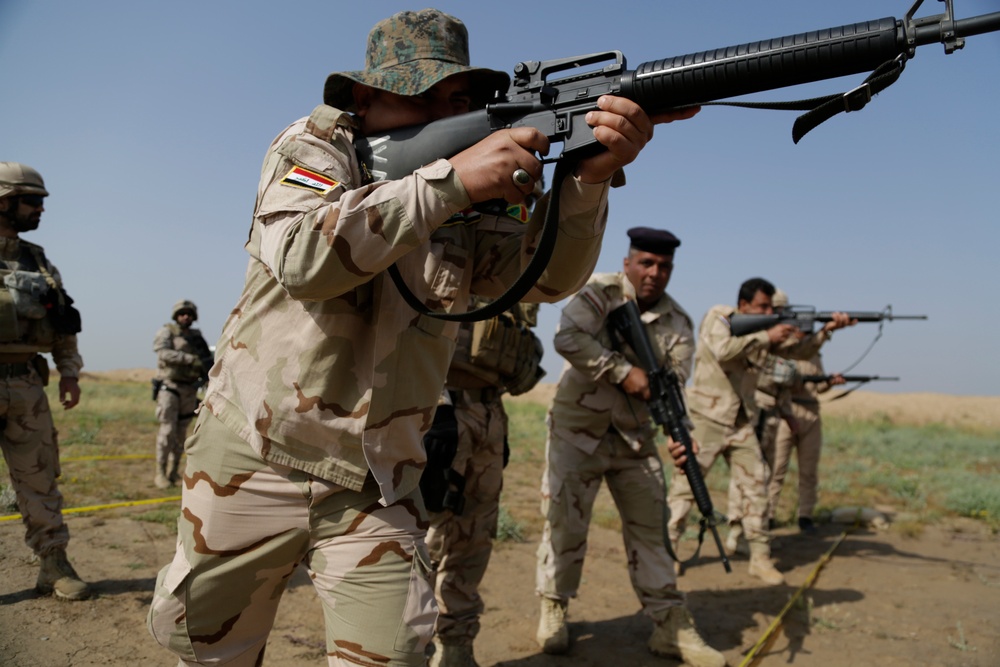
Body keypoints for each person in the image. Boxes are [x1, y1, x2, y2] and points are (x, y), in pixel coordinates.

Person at [146, 9, 697, 667]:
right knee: (215, 652)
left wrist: (586, 180)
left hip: (377, 476)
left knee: (394, 654)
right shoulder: (317, 145)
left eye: (457, 100)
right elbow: (300, 255)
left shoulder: (474, 189)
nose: (443, 114)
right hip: (257, 452)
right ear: (365, 96)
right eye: (421, 94)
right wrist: (452, 182)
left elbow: (543, 279)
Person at [534, 227, 724, 667]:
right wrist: (623, 372)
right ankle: (554, 605)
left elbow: (673, 389)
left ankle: (669, 622)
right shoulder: (602, 292)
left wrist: (684, 435)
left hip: (635, 442)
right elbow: (568, 338)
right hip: (577, 433)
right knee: (565, 526)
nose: (655, 273)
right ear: (628, 263)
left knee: (652, 532)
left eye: (664, 267)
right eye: (647, 263)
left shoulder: (679, 323)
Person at [667, 278, 852, 585]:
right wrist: (767, 334)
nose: (770, 311)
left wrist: (826, 332)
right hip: (707, 418)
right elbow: (724, 350)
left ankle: (760, 558)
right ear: (744, 306)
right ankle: (670, 554)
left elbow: (797, 354)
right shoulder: (722, 316)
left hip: (741, 421)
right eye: (763, 307)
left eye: (772, 307)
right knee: (686, 489)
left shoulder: (762, 334)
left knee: (757, 488)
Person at [423, 297, 544, 667]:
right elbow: (407, 328)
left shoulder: (514, 273)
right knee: (423, 536)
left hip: (488, 414)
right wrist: (437, 405)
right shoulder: (442, 251)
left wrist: (494, 420)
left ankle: (457, 646)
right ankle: (406, 647)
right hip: (439, 409)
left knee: (475, 533)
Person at [0, 162, 87, 600]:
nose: (40, 209)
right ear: (4, 202)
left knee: (39, 479)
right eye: (32, 201)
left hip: (25, 386)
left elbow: (62, 321)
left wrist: (69, 372)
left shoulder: (36, 259)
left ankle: (53, 565)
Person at [760, 290, 846, 536]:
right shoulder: (780, 348)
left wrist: (830, 381)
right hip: (788, 410)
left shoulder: (811, 352)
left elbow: (817, 386)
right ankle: (769, 514)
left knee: (808, 471)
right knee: (776, 469)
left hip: (810, 412)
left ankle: (805, 515)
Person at [151, 299, 212, 489]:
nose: (186, 316)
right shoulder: (167, 331)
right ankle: (160, 473)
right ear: (176, 315)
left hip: (189, 389)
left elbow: (205, 360)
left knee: (181, 434)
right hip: (170, 388)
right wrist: (188, 359)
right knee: (167, 431)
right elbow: (162, 353)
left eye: (189, 314)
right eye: (182, 313)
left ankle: (173, 471)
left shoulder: (196, 336)